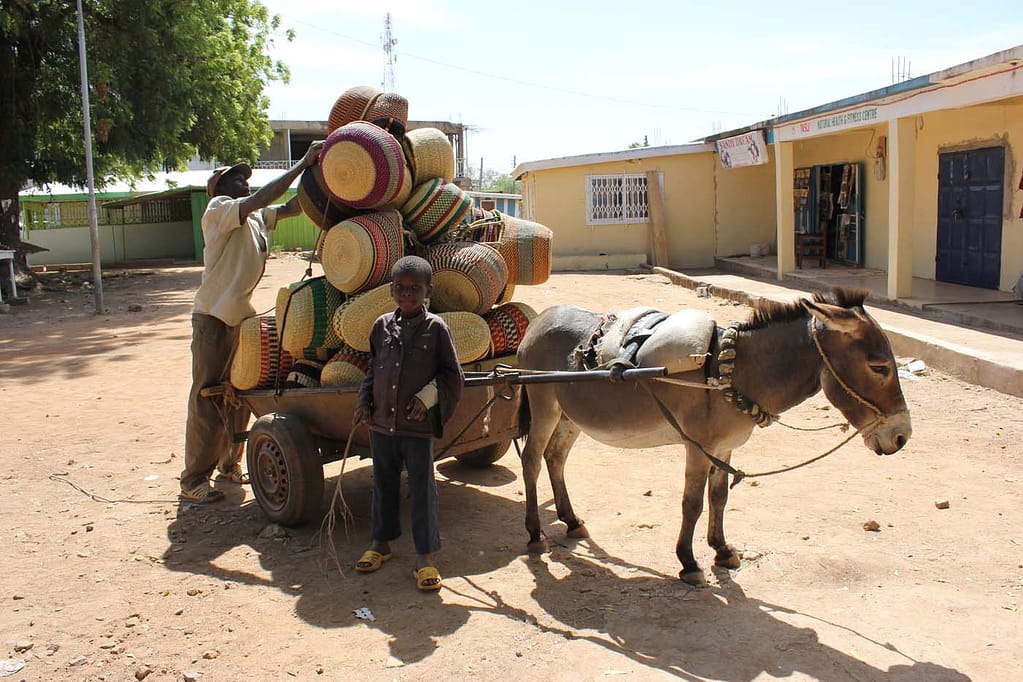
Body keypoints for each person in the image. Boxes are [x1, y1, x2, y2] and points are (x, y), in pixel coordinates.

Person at [179, 142, 324, 503]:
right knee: (206, 395)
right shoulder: (218, 210)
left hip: (240, 315)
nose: (244, 182)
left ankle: (229, 465)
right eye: (236, 179)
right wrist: (302, 163)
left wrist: (321, 179)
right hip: (213, 316)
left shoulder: (254, 217)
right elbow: (263, 198)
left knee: (240, 392)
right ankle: (194, 477)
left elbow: (291, 206)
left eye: (245, 178)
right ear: (219, 190)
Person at [352, 256, 464, 591]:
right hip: (382, 423)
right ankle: (380, 544)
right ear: (391, 290)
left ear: (428, 291)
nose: (407, 295)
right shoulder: (381, 326)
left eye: (415, 289)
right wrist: (363, 402)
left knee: (421, 489)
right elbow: (373, 370)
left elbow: (452, 376)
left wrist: (427, 398)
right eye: (400, 288)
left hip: (416, 428)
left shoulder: (436, 329)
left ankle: (426, 557)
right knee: (383, 484)